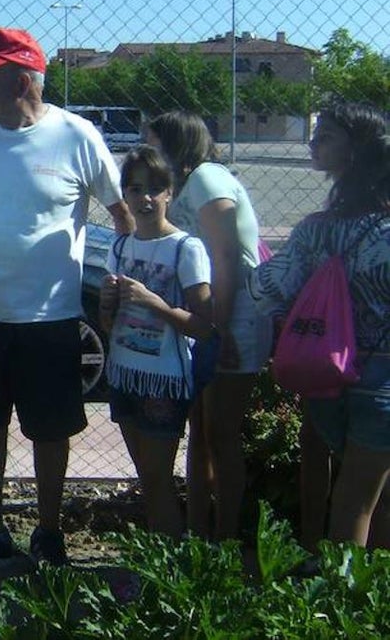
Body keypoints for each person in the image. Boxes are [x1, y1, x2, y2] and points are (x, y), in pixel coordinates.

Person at [0, 27, 132, 579]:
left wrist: (121, 277)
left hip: (51, 318)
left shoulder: (77, 136)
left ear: (23, 79)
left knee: (51, 431)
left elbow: (121, 216)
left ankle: (48, 533)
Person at [248, 101, 390, 548]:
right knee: (361, 499)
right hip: (382, 380)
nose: (312, 142)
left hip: (326, 377)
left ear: (354, 152)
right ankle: (346, 606)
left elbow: (265, 288)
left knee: (361, 492)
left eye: (324, 135)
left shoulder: (315, 231)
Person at [146, 110, 268, 542]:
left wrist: (221, 329)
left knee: (221, 433)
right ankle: (200, 533)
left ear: (176, 145)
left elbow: (227, 257)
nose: (146, 150)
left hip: (235, 317)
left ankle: (228, 536)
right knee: (201, 431)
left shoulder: (207, 178)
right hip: (213, 319)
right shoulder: (191, 184)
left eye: (153, 141)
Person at [99, 146, 213, 538]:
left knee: (157, 476)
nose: (144, 199)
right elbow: (109, 322)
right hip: (125, 375)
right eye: (134, 189)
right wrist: (107, 303)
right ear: (124, 195)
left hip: (162, 380)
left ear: (169, 193)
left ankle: (171, 562)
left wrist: (156, 303)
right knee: (145, 478)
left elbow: (203, 325)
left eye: (154, 189)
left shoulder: (186, 249)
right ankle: (156, 560)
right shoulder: (120, 247)